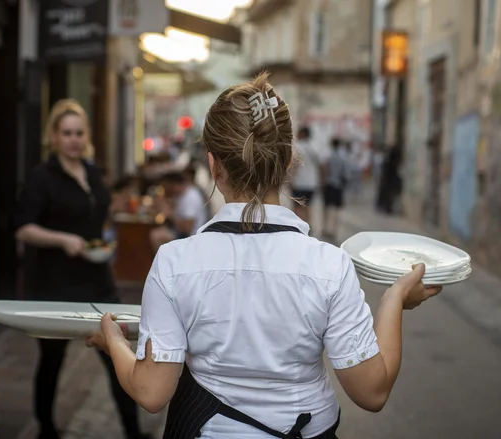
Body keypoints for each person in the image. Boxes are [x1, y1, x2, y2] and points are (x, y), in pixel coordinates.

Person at [87, 73, 442, 438]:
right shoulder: (329, 265)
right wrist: (394, 299)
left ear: (213, 165)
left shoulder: (174, 263)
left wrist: (113, 340)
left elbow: (151, 391)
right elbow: (371, 391)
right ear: (288, 160)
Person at [14, 99, 150, 439]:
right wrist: (63, 239)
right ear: (54, 137)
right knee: (51, 361)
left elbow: (96, 217)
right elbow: (23, 228)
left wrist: (104, 240)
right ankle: (46, 429)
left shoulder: (90, 171)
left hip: (97, 280)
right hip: (55, 282)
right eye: (67, 133)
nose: (74, 139)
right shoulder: (41, 177)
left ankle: (132, 432)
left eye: (79, 132)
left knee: (118, 356)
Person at [149, 170, 208, 251]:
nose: (166, 190)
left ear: (174, 185)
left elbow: (187, 228)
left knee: (156, 236)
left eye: (166, 187)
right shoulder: (181, 195)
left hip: (191, 236)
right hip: (183, 233)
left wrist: (170, 215)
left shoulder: (190, 197)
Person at [290, 126, 323, 224]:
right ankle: (308, 226)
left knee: (297, 207)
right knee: (308, 206)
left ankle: (298, 227)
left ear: (302, 134)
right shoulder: (315, 147)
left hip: (299, 183)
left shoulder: (298, 146)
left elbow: (295, 166)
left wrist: (291, 179)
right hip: (312, 183)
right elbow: (320, 166)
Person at [321, 138, 350, 243]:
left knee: (327, 208)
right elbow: (346, 173)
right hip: (338, 186)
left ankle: (325, 228)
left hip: (329, 184)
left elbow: (324, 169)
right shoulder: (343, 157)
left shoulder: (328, 156)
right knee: (337, 209)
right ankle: (335, 230)